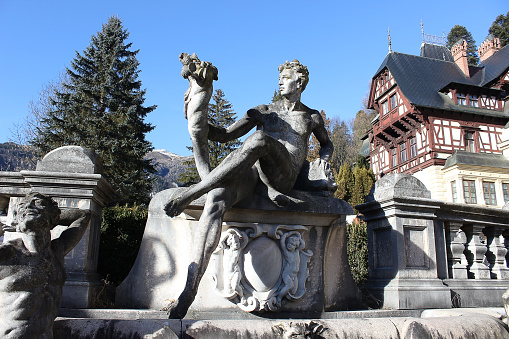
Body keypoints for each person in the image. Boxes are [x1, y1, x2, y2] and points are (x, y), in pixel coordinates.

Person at [164, 60, 333, 318]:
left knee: (260, 140)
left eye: (286, 77)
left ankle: (193, 191)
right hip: (256, 174)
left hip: (282, 177)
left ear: (299, 82)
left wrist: (323, 160)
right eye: (279, 77)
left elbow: (326, 144)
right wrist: (198, 114)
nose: (280, 81)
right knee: (218, 198)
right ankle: (189, 290)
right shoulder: (263, 111)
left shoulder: (311, 117)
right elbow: (223, 135)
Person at [0, 192, 90, 338]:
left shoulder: (57, 253)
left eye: (37, 203)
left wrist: (53, 215)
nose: (29, 207)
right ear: (17, 218)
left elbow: (83, 215)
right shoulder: (7, 254)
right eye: (22, 207)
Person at [179, 52, 218, 179]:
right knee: (201, 161)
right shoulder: (192, 81)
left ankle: (209, 184)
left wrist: (198, 67)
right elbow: (185, 72)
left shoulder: (204, 76)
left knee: (203, 164)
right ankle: (208, 183)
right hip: (193, 123)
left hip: (197, 125)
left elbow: (210, 73)